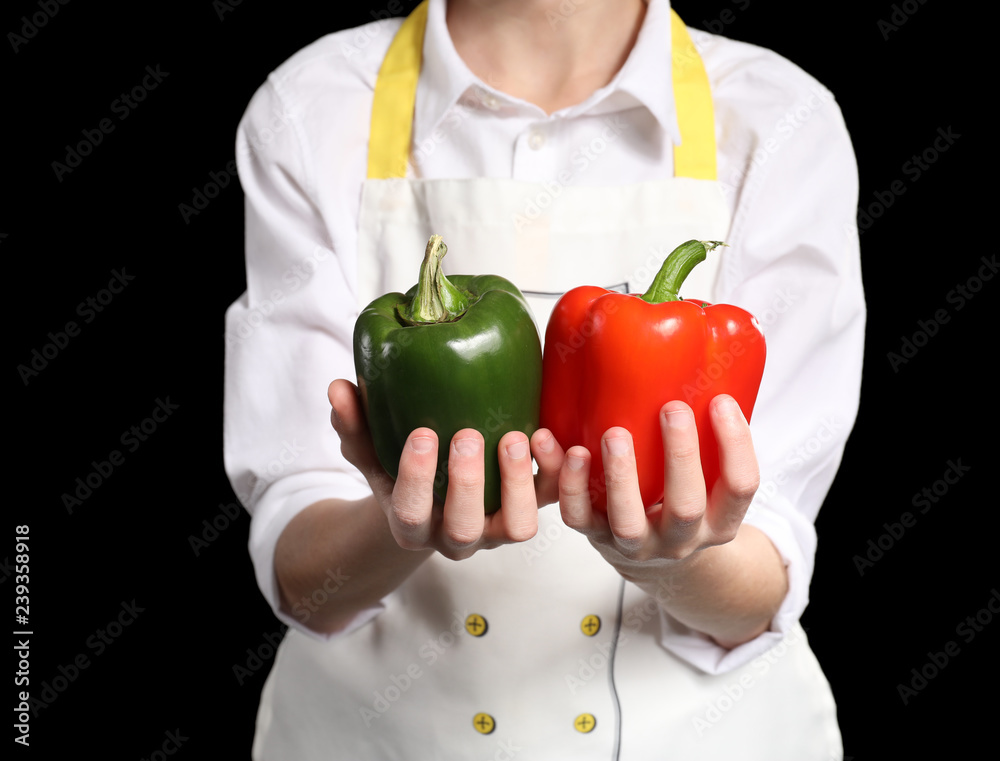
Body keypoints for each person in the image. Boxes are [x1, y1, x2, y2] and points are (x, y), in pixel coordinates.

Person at [223, 0, 865, 758]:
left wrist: (669, 556)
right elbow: (301, 579)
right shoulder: (313, 106)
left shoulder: (781, 120)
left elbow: (759, 595)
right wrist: (395, 526)